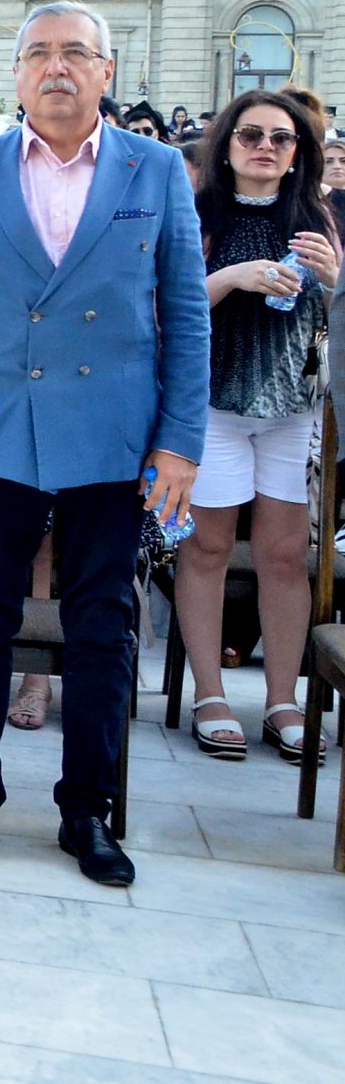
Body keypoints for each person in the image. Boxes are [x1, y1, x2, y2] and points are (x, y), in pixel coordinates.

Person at [0, 1, 207, 888]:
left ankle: (88, 809)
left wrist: (180, 445)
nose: (57, 68)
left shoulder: (154, 171)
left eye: (76, 53)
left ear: (107, 72)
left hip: (113, 439)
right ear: (16, 75)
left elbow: (187, 317)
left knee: (103, 630)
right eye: (38, 54)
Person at [174, 91, 335, 762]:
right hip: (212, 404)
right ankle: (209, 692)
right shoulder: (199, 211)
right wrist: (233, 276)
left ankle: (281, 700)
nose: (265, 146)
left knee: (283, 556)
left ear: (300, 149)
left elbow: (333, 312)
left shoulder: (320, 214)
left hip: (294, 410)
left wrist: (338, 276)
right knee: (207, 549)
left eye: (281, 137)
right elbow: (168, 301)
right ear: (226, 143)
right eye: (250, 135)